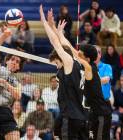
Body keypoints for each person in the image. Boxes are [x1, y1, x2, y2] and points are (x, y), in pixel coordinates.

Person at [52, 15, 112, 139]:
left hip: (101, 113)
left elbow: (72, 51)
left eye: (81, 54)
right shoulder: (84, 65)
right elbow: (70, 48)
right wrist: (60, 33)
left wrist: (57, 34)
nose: (78, 54)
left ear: (87, 59)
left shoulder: (89, 68)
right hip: (91, 113)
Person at [40, 6, 88, 139]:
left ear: (62, 58)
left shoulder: (69, 63)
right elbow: (64, 43)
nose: (56, 66)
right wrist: (56, 29)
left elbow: (56, 43)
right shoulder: (78, 62)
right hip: (81, 117)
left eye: (56, 63)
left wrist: (44, 21)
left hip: (71, 118)